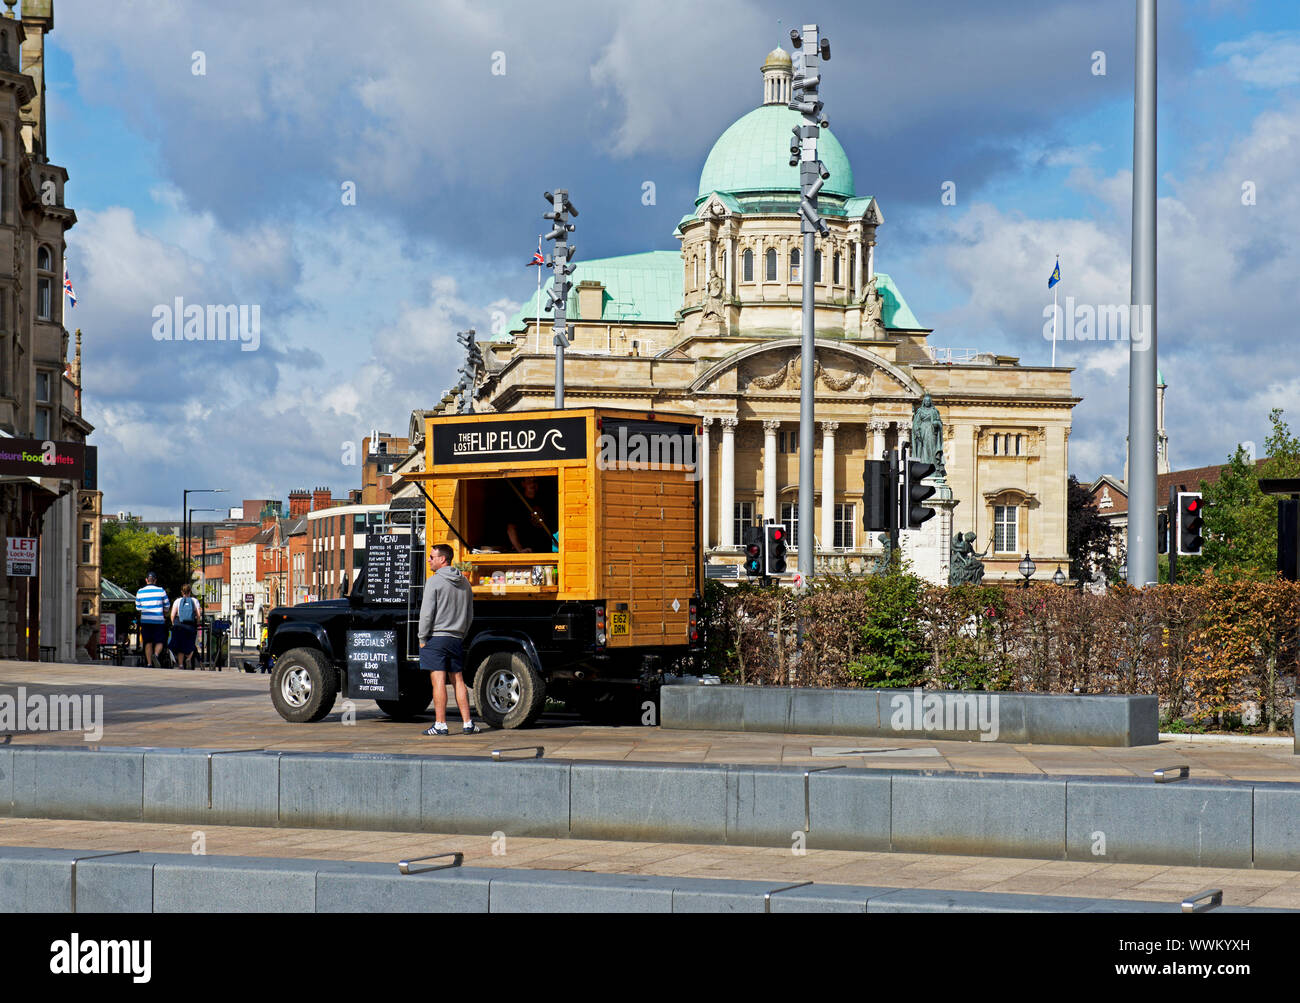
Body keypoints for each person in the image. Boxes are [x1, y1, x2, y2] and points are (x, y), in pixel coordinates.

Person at [417, 543, 478, 736]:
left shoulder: (434, 582)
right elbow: (470, 614)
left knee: (438, 682)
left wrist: (422, 636)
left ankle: (440, 724)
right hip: (456, 638)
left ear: (442, 559)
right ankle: (468, 723)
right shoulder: (465, 583)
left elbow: (427, 613)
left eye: (432, 557)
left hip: (436, 637)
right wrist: (461, 634)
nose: (429, 560)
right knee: (458, 680)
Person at [505, 476, 556, 553]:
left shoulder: (546, 502)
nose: (532, 484)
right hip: (527, 551)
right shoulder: (517, 504)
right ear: (523, 484)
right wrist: (520, 549)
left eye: (535, 481)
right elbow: (511, 529)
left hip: (545, 550)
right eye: (529, 482)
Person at [135, 572, 169, 668]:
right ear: (155, 580)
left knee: (148, 642)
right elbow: (167, 606)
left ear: (146, 580)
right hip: (158, 620)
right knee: (160, 641)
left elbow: (138, 608)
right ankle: (156, 655)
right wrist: (163, 611)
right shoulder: (161, 591)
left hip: (145, 620)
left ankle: (149, 663)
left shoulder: (140, 592)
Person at [168, 584, 202, 669]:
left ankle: (180, 665)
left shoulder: (178, 601)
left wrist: (173, 623)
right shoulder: (194, 600)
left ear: (182, 592)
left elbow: (172, 615)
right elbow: (198, 614)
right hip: (191, 625)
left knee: (180, 645)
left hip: (179, 624)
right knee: (191, 644)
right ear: (190, 591)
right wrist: (197, 623)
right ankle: (189, 658)